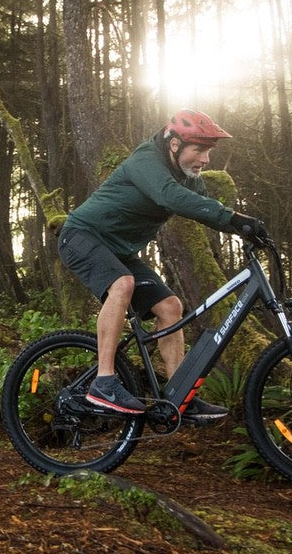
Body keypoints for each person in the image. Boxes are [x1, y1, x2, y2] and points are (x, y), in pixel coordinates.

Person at [57, 109, 266, 418]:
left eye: (208, 152)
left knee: (170, 308)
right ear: (174, 145)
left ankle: (179, 395)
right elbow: (171, 197)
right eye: (199, 150)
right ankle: (103, 382)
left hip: (119, 251)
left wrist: (244, 229)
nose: (206, 160)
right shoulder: (146, 160)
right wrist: (233, 218)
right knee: (122, 283)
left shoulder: (188, 177)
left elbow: (204, 208)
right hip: (81, 236)